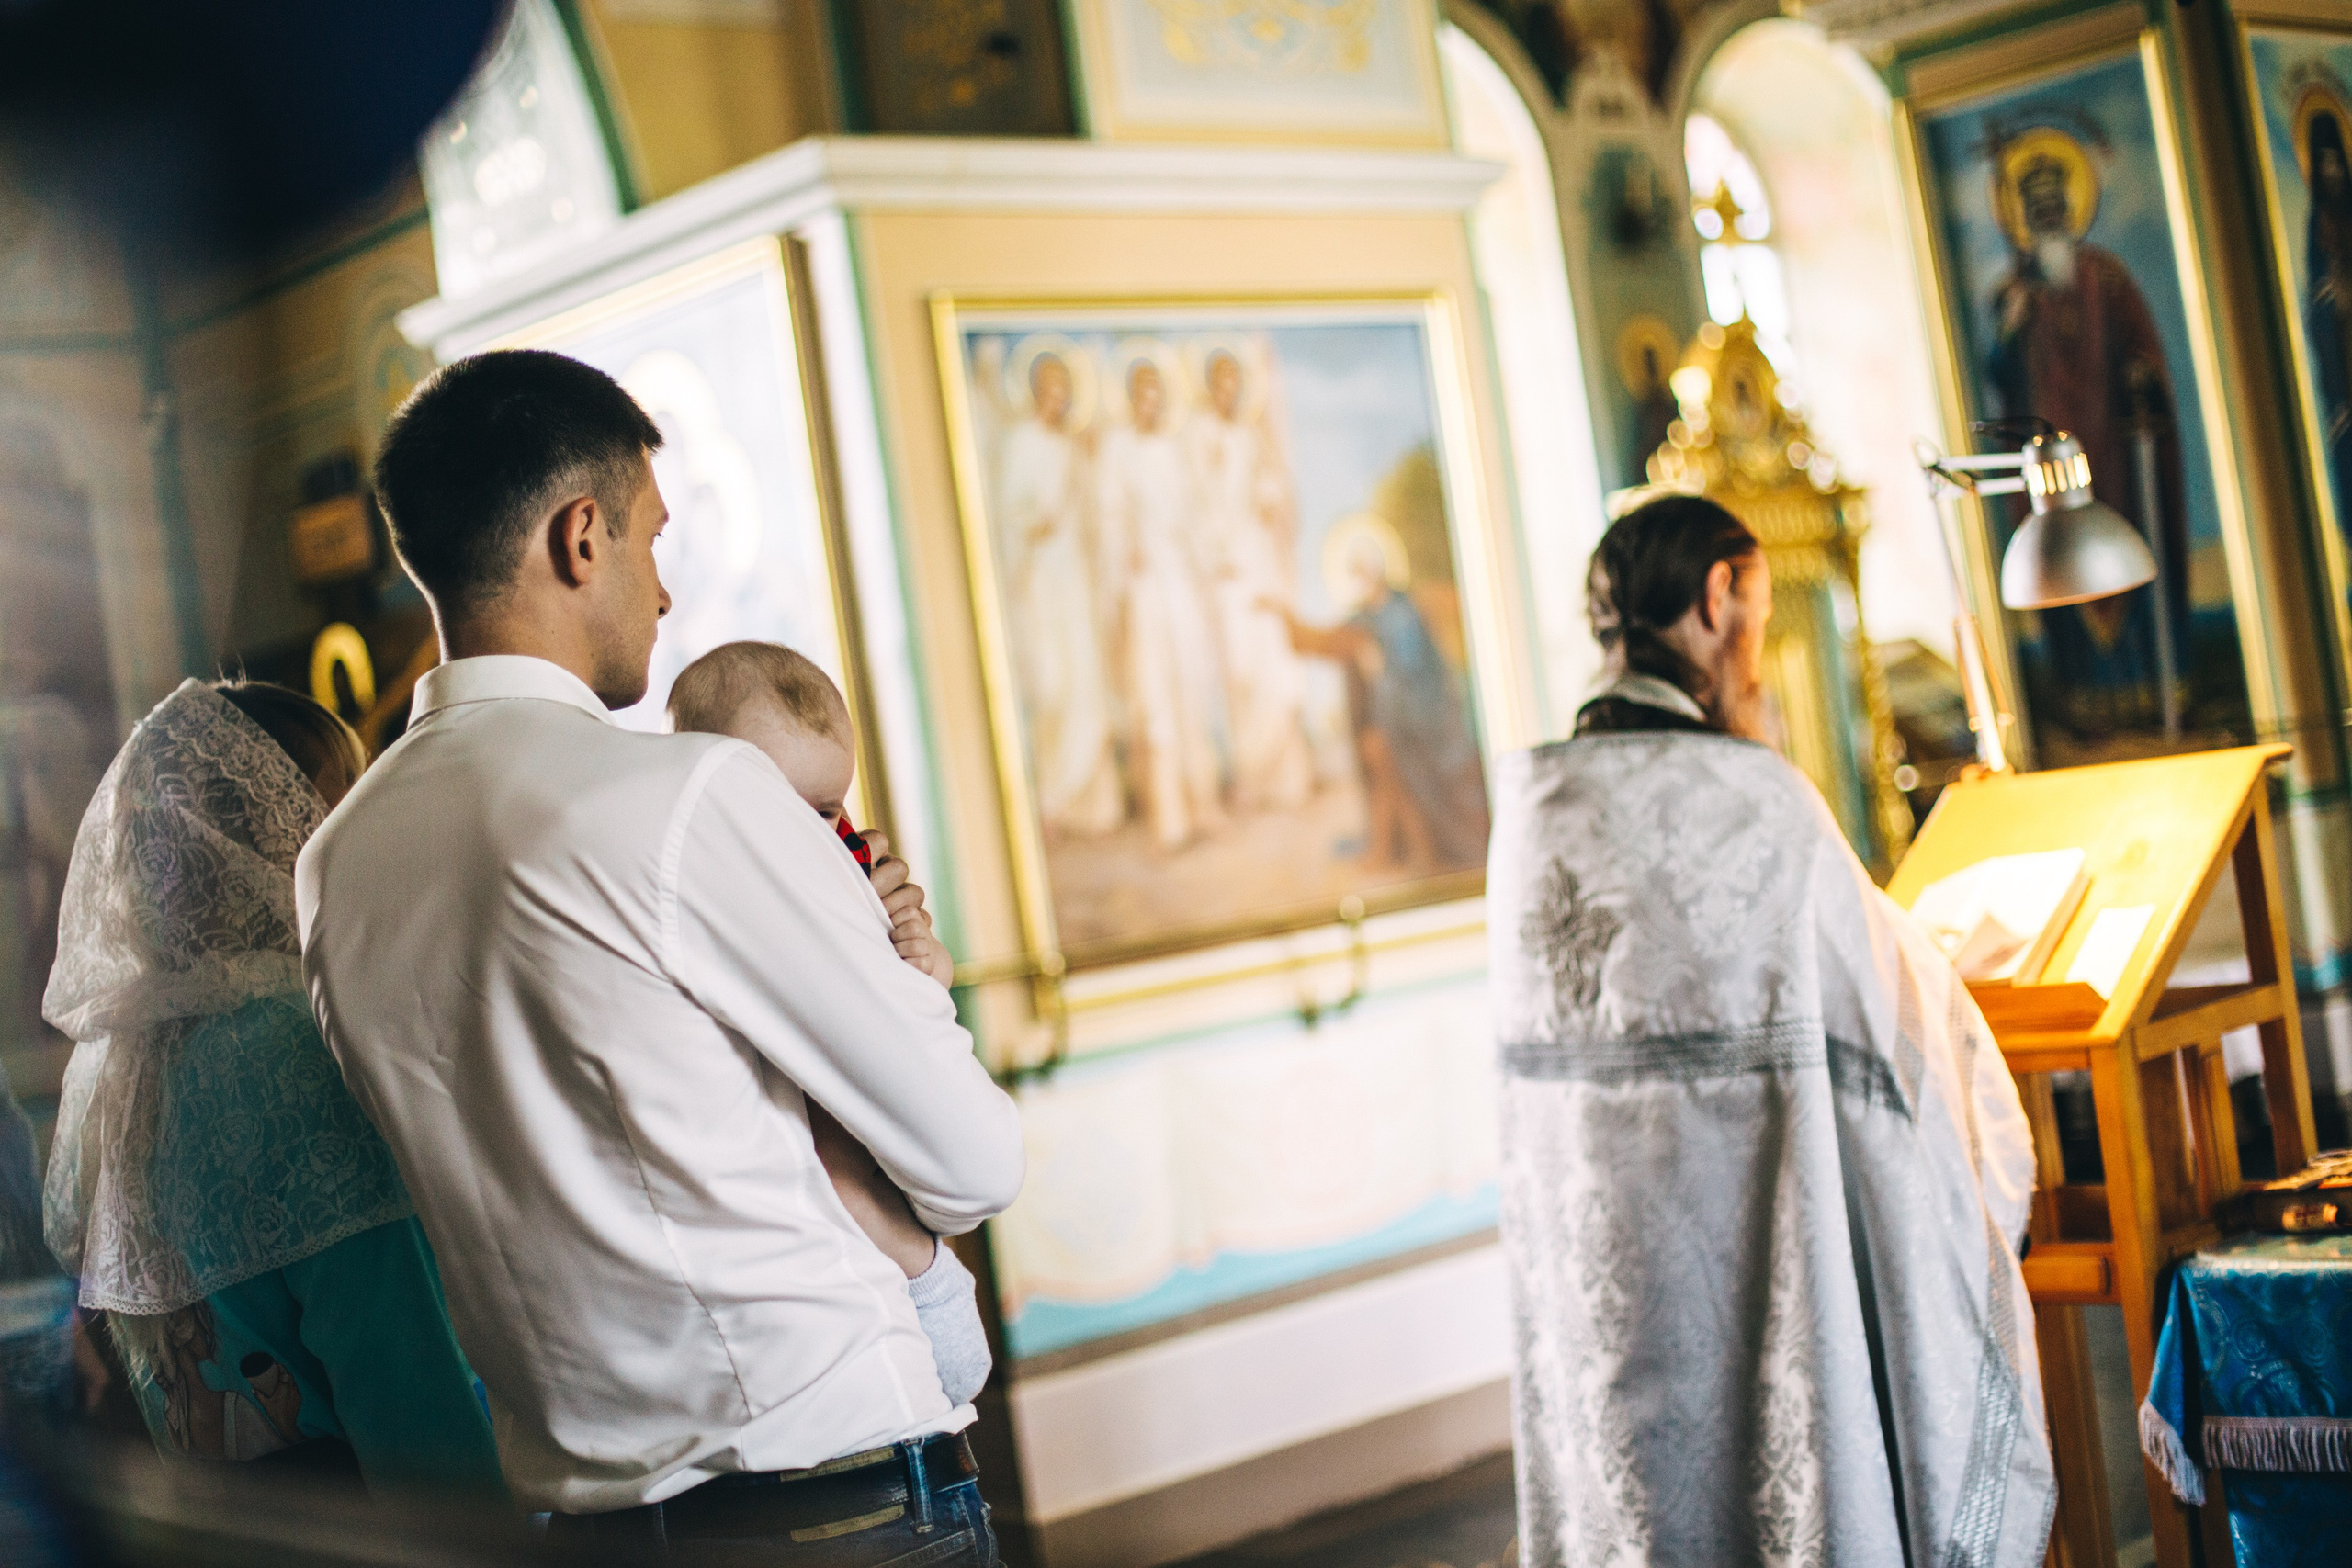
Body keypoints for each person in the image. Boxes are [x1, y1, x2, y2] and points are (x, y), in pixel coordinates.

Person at [300, 349, 1023, 1561]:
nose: (665, 591)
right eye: (651, 538)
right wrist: (910, 991)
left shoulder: (335, 863)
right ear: (581, 536)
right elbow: (972, 1161)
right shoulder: (686, 797)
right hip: (826, 1505)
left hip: (591, 1527)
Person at [1490, 495, 2051, 1566]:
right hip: (1751, 1281)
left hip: (1607, 1300)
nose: (1755, 655)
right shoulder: (1754, 800)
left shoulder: (1529, 818)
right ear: (1718, 598)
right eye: (1756, 612)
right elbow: (1896, 1042)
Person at [40, 679, 500, 1491]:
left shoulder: (119, 1067)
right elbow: (408, 1394)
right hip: (373, 1524)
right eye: (339, 811)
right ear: (275, 838)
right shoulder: (297, 1049)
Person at [666, 639, 994, 1415]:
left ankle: (931, 1286)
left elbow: (914, 1034)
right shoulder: (710, 884)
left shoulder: (844, 871)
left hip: (881, 1135)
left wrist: (917, 963)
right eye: (798, 814)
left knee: (953, 1347)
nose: (826, 834)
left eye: (832, 810)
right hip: (793, 1215)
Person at [1987, 131, 2186, 737]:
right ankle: (2087, 704)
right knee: (2059, 566)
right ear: (2026, 218)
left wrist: (2140, 375)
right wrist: (2012, 328)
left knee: (2122, 554)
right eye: (2037, 207)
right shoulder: (2015, 294)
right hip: (2053, 475)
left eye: (2056, 203)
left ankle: (2154, 694)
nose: (2048, 214)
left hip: (2114, 460)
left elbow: (2143, 349)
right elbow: (2000, 374)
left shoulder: (2107, 278)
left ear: (2070, 208)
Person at [1095, 354, 1227, 851]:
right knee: (1156, 696)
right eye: (1142, 393)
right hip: (1146, 581)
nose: (1150, 402)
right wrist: (1126, 550)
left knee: (1191, 687)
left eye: (1157, 392)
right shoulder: (1118, 448)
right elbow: (1110, 512)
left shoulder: (1174, 449)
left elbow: (1194, 513)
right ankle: (1170, 817)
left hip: (1180, 578)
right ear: (1132, 398)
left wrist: (1203, 561)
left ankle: (1204, 804)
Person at [997, 351, 1124, 836]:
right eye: (1048, 386)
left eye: (1062, 387)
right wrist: (1036, 521)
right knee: (1054, 687)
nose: (1057, 396)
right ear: (1034, 391)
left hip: (1077, 582)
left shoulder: (1074, 448)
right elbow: (1010, 513)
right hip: (1041, 582)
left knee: (1087, 684)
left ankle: (1096, 808)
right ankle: (1055, 800)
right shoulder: (1022, 443)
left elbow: (1094, 514)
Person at [1184, 348, 1313, 814]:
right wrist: (1216, 549)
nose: (1228, 389)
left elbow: (1271, 484)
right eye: (1220, 380)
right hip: (1227, 567)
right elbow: (1195, 500)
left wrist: (1269, 499)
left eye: (1234, 380)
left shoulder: (1250, 435)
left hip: (1259, 558)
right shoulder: (1200, 436)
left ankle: (1286, 777)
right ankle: (1252, 775)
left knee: (1273, 662)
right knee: (1240, 671)